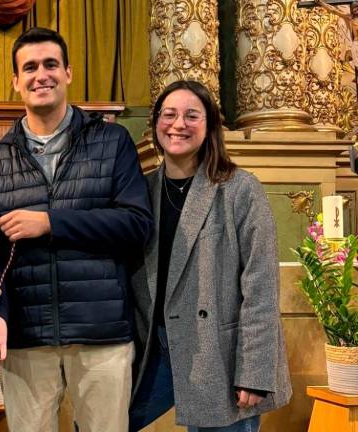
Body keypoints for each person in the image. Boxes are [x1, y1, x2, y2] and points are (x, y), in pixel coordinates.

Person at [0, 27, 153, 432]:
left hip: (101, 333)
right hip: (28, 339)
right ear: (16, 82)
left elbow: (136, 225)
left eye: (51, 64)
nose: (41, 75)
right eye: (29, 68)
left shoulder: (112, 141)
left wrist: (51, 222)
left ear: (68, 72)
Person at [128, 80, 292, 432]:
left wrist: (254, 370)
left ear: (210, 125)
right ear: (155, 123)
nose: (178, 124)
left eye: (192, 115)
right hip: (157, 348)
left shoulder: (239, 189)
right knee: (103, 420)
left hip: (219, 351)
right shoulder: (142, 190)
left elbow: (261, 287)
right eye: (169, 115)